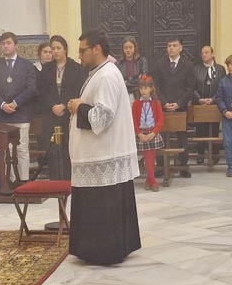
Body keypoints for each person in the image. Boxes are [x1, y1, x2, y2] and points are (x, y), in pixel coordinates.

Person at [66, 30, 141, 265]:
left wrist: (79, 107)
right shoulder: (100, 73)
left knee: (101, 207)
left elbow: (102, 117)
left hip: (102, 153)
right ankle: (96, 249)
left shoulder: (107, 75)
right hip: (97, 153)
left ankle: (102, 251)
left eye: (82, 51)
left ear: (96, 49)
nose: (79, 56)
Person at [0, 31, 38, 184]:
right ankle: (10, 181)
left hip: (21, 113)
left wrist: (15, 103)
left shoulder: (27, 65)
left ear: (16, 45)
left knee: (22, 148)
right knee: (6, 150)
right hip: (3, 115)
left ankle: (23, 181)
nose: (5, 46)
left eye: (8, 43)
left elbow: (31, 89)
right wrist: (2, 104)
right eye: (3, 44)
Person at [38, 35, 88, 180]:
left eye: (58, 48)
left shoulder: (75, 68)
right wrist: (52, 105)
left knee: (68, 147)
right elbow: (42, 91)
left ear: (65, 49)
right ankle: (55, 178)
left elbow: (78, 89)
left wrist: (64, 105)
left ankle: (70, 178)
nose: (55, 51)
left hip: (69, 114)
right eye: (53, 48)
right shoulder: (46, 69)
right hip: (51, 115)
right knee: (53, 148)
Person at [151, 37, 196, 177]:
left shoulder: (188, 65)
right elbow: (156, 87)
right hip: (162, 107)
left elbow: (190, 88)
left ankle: (183, 166)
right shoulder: (159, 64)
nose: (171, 48)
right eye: (169, 45)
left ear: (181, 48)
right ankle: (160, 166)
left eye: (174, 45)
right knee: (160, 137)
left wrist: (178, 103)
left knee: (182, 138)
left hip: (180, 108)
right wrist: (164, 102)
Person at [191, 45, 225, 165]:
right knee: (200, 130)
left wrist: (213, 99)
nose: (204, 55)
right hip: (200, 105)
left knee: (214, 129)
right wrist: (199, 99)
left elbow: (222, 87)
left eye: (206, 52)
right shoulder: (196, 69)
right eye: (202, 53)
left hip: (214, 105)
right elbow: (192, 87)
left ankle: (214, 154)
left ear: (212, 54)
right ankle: (200, 154)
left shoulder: (220, 69)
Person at [132, 75, 165, 191]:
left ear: (151, 88)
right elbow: (134, 121)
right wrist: (139, 134)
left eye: (146, 88)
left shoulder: (156, 103)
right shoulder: (136, 104)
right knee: (147, 157)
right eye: (141, 88)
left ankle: (149, 180)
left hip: (153, 133)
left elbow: (160, 120)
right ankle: (153, 181)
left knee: (151, 156)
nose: (143, 91)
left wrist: (153, 133)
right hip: (142, 134)